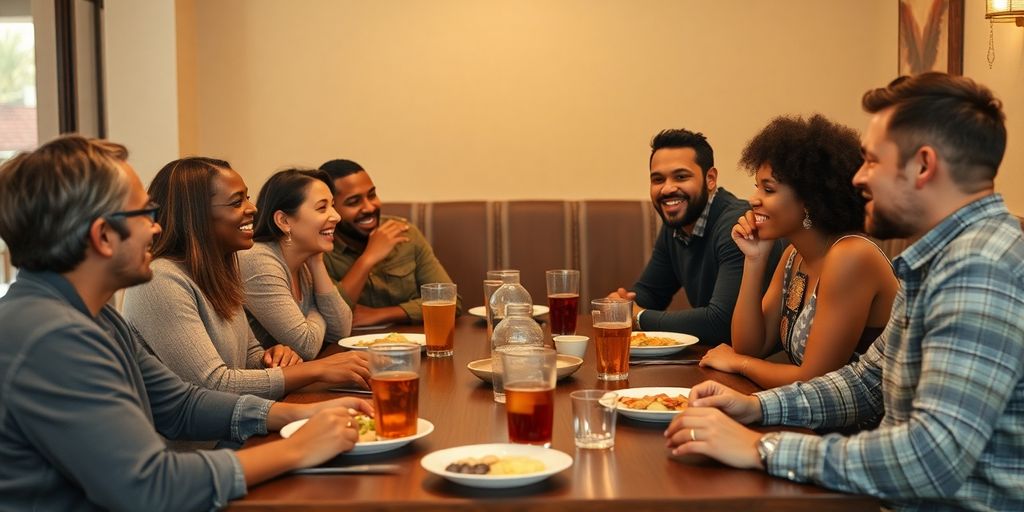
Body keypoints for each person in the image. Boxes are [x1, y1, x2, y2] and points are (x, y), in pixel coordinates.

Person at [665, 73, 1023, 511]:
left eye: (873, 161)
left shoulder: (979, 267)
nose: (859, 178)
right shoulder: (941, 258)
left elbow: (931, 459)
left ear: (924, 166)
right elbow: (865, 383)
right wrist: (754, 408)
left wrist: (764, 449)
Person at [0, 135, 373, 511]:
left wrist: (299, 413)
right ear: (103, 236)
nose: (157, 228)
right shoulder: (52, 337)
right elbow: (151, 486)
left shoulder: (93, 315)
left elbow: (180, 405)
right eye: (144, 215)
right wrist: (298, 448)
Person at [123, 157, 370, 399]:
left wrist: (271, 357)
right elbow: (213, 384)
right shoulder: (160, 281)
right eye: (236, 202)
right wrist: (317, 369)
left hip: (238, 424)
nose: (252, 209)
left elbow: (249, 355)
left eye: (247, 198)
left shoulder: (222, 267)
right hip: (204, 440)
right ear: (196, 215)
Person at [699, 115, 899, 389]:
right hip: (808, 415)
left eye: (768, 189)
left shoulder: (852, 255)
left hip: (865, 425)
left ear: (809, 200)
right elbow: (749, 346)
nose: (753, 199)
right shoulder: (794, 255)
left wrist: (738, 364)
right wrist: (754, 259)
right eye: (757, 186)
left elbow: (815, 379)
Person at [609, 129, 784, 342]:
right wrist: (621, 303)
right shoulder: (676, 225)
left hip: (763, 360)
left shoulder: (737, 226)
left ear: (710, 179)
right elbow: (651, 293)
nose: (667, 189)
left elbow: (720, 322)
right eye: (657, 179)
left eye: (681, 177)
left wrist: (638, 317)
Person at [319, 159, 463, 327]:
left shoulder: (405, 233)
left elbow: (449, 302)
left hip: (413, 344)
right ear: (331, 209)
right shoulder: (320, 249)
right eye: (354, 202)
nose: (370, 207)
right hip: (349, 349)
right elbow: (333, 316)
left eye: (372, 195)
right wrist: (368, 258)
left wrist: (380, 315)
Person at [239, 168, 352, 360]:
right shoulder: (257, 260)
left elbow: (341, 329)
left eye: (333, 205)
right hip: (251, 386)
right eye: (322, 208)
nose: (336, 216)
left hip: (290, 381)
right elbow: (306, 345)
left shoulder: (305, 260)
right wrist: (317, 310)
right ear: (284, 221)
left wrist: (316, 263)